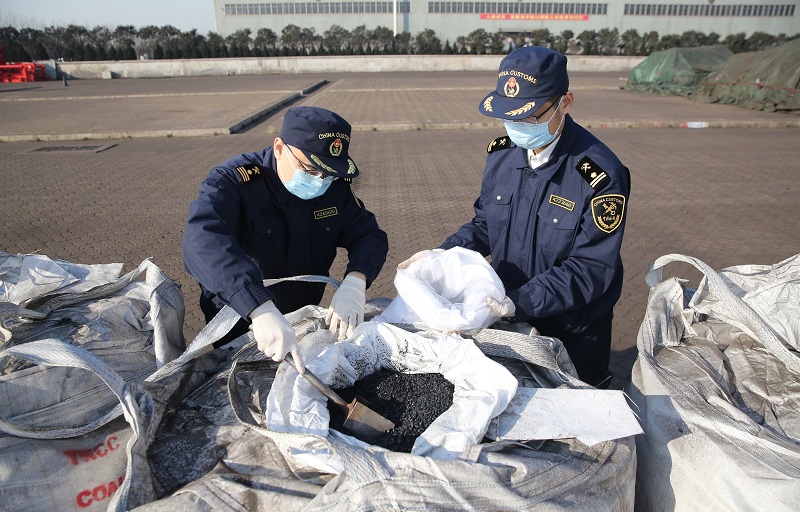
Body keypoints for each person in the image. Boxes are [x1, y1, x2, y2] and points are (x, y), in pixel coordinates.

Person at [401, 46, 630, 388]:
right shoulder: (503, 155)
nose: (517, 128)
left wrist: (517, 302)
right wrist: (443, 254)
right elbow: (484, 224)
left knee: (573, 412)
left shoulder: (599, 174)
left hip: (570, 327)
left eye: (529, 116)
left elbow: (591, 268)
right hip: (505, 311)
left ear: (564, 103)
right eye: (509, 117)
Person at [183, 106, 388, 371]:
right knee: (239, 382)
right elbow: (202, 241)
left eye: (327, 173)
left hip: (300, 317)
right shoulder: (234, 183)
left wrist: (355, 282)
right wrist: (258, 309)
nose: (319, 181)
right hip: (241, 320)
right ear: (280, 148)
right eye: (310, 169)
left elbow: (369, 235)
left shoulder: (334, 189)